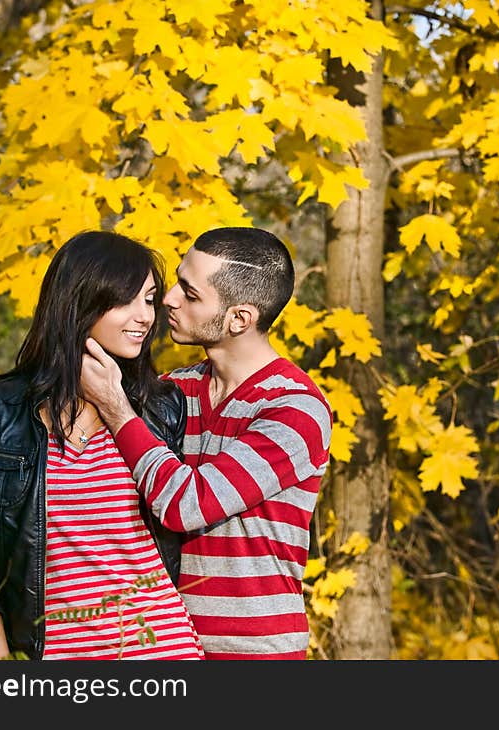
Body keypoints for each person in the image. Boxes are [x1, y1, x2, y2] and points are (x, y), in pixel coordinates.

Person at [0, 230, 204, 661]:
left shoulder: (160, 407)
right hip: (54, 653)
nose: (144, 316)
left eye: (149, 299)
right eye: (125, 301)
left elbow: (191, 510)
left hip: (162, 649)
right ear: (80, 302)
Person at [81, 226, 333, 660]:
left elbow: (188, 504)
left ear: (240, 318)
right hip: (159, 644)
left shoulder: (296, 408)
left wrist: (117, 408)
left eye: (190, 293)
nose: (168, 299)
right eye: (177, 281)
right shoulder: (174, 391)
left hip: (253, 651)